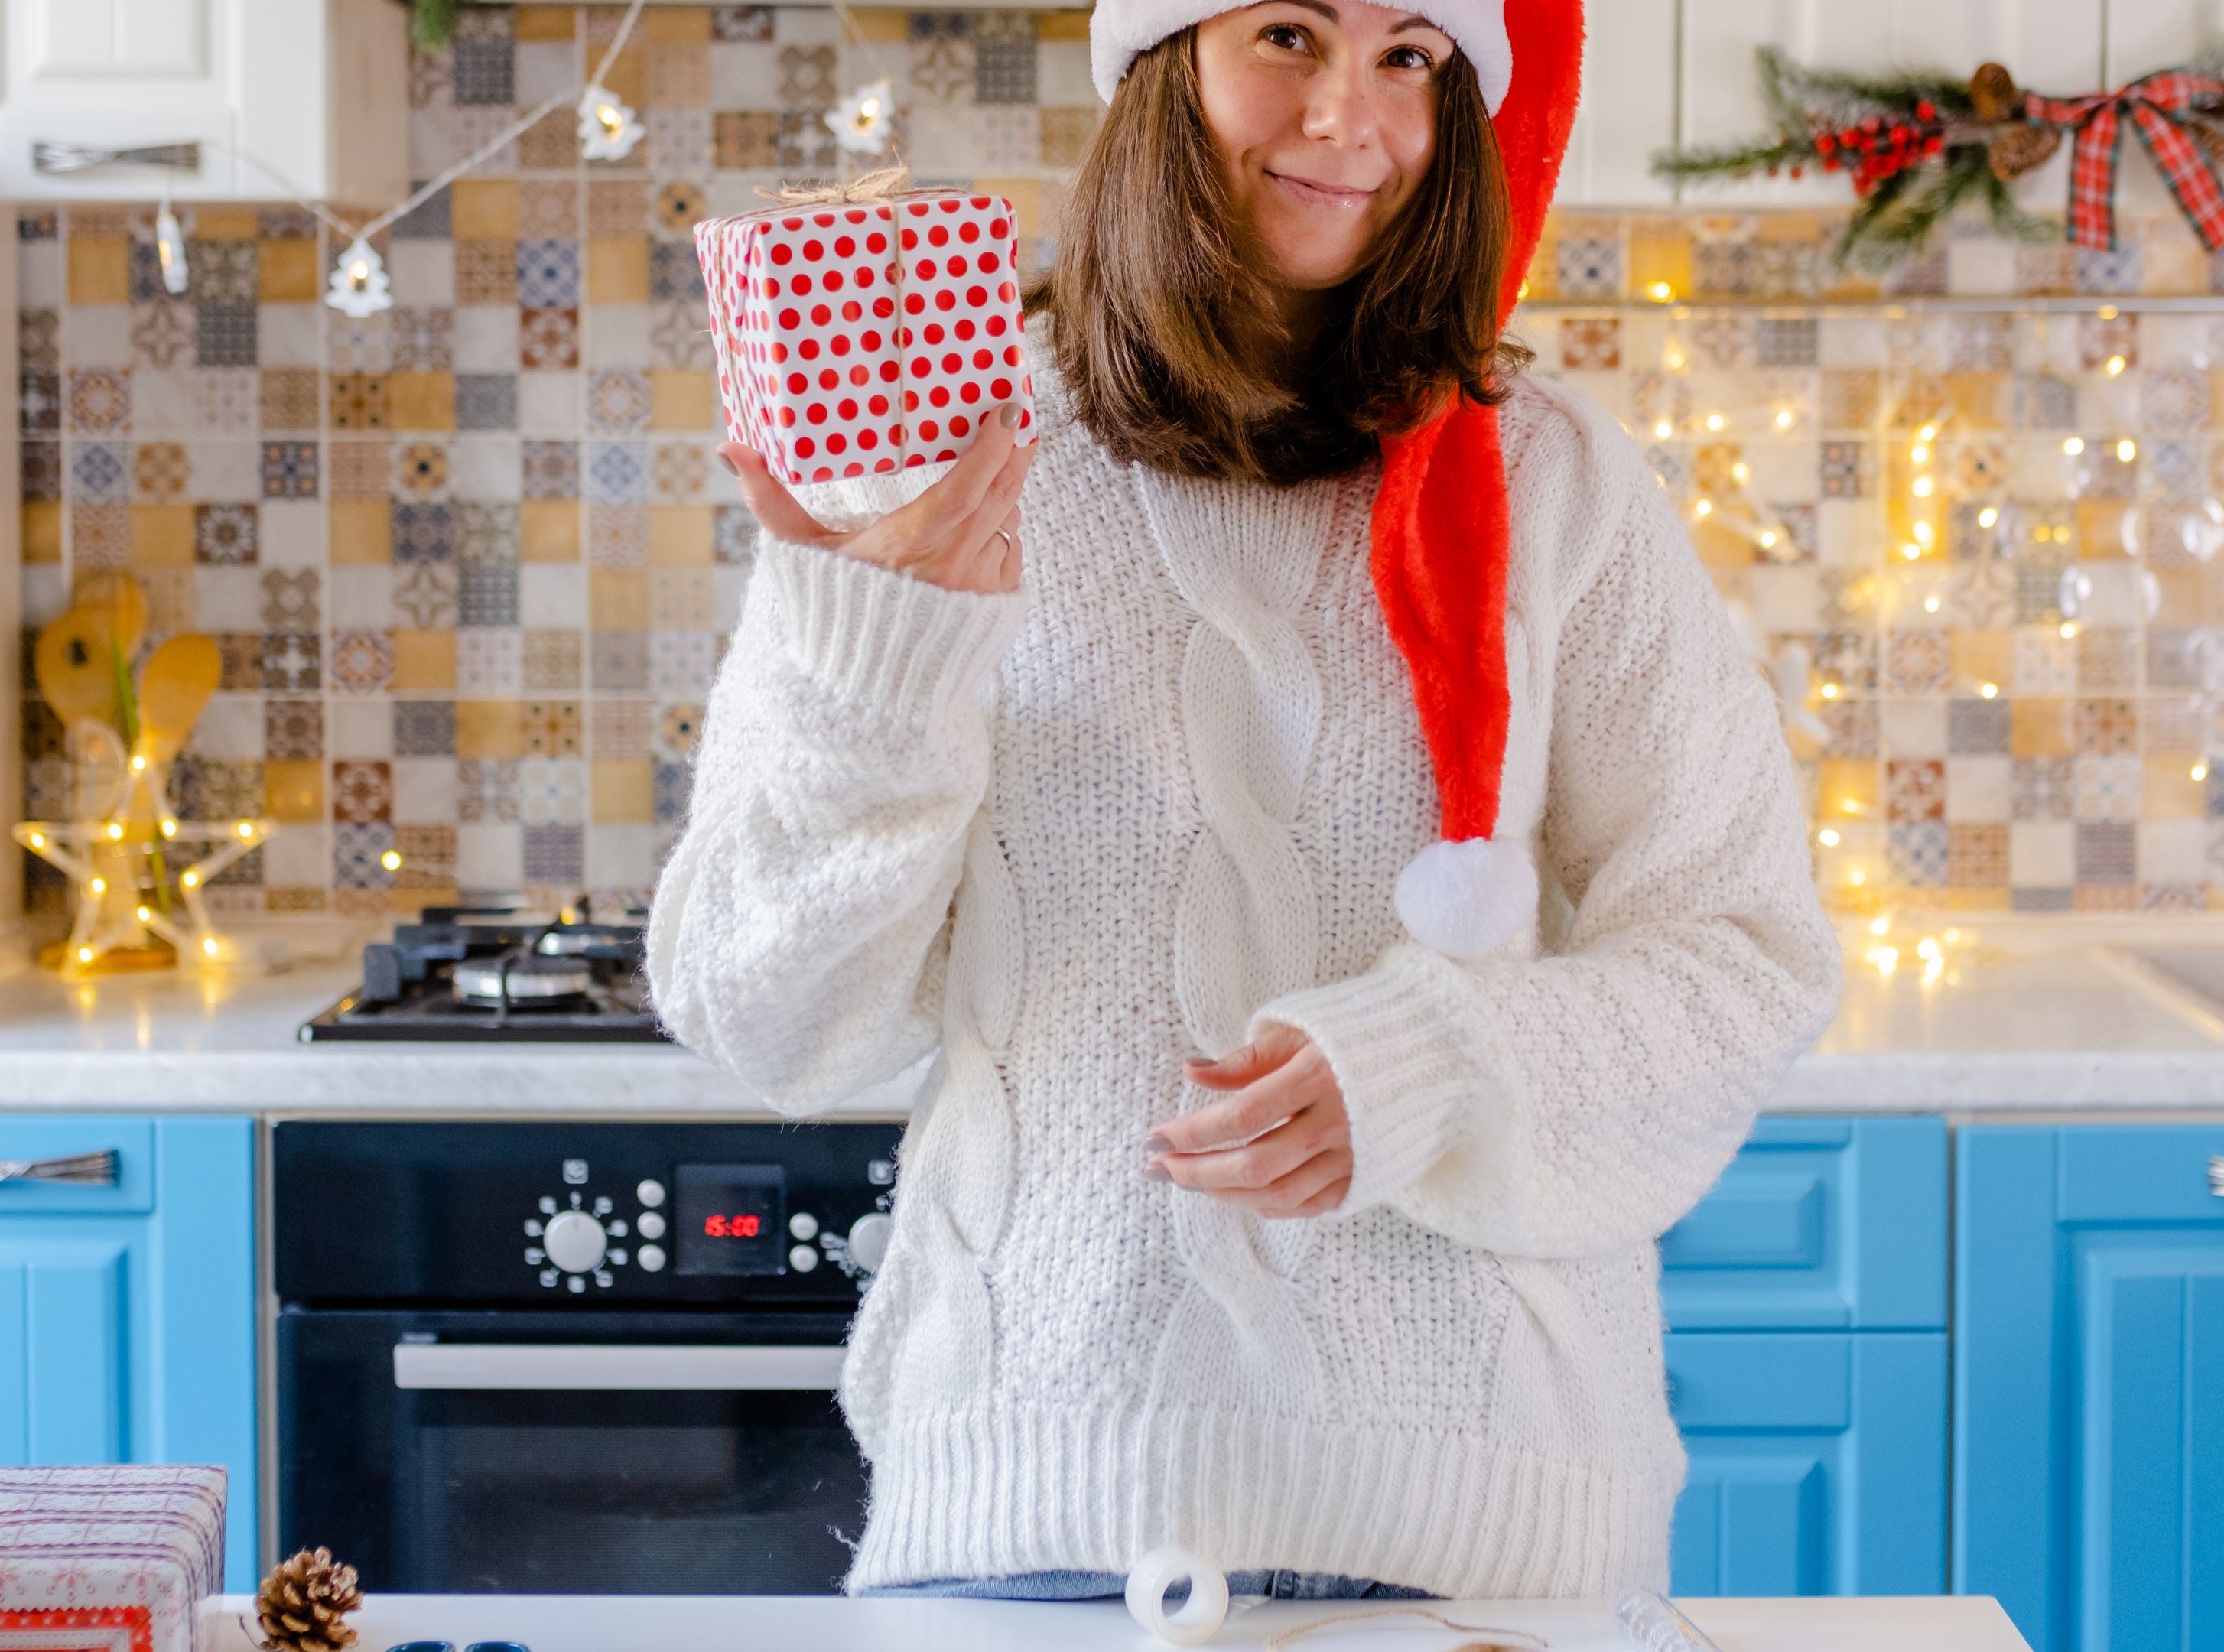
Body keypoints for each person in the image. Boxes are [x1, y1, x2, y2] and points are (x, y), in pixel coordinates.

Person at [645, 0, 1842, 1605]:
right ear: (1163, 65)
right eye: (1288, 32)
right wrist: (880, 644)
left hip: (1489, 1551)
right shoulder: (952, 461)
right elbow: (768, 1022)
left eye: (1413, 54)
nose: (1352, 114)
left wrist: (1431, 1066)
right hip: (1032, 1527)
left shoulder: (1552, 480)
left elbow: (1745, 953)